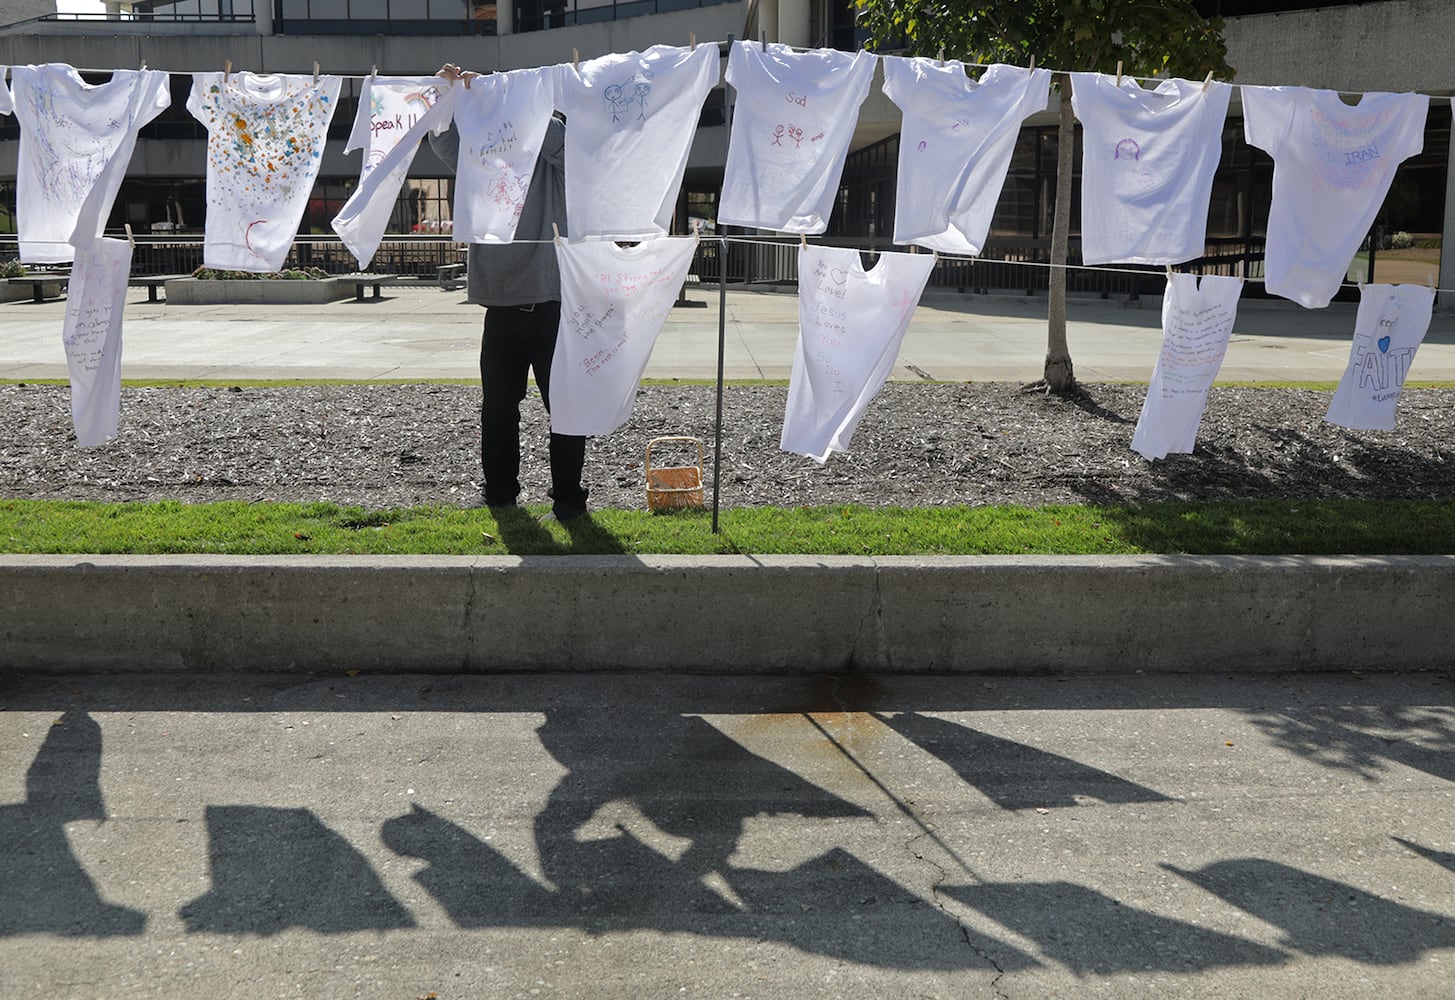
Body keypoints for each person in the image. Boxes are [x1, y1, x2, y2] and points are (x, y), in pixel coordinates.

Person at [431, 64, 589, 520]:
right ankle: (500, 492)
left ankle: (568, 498)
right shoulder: (480, 148)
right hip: (499, 305)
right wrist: (452, 94)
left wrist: (516, 96)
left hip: (551, 304)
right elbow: (442, 141)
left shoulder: (548, 147)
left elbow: (565, 142)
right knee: (498, 410)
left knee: (565, 411)